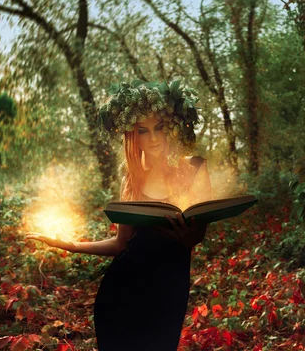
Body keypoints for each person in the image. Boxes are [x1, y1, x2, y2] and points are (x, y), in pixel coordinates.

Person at [26, 80, 212, 350]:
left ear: (171, 126)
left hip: (168, 291)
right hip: (121, 292)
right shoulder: (131, 180)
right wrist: (70, 245)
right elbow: (121, 243)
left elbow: (197, 235)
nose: (154, 138)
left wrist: (189, 238)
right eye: (143, 131)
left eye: (159, 127)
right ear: (133, 136)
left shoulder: (195, 169)